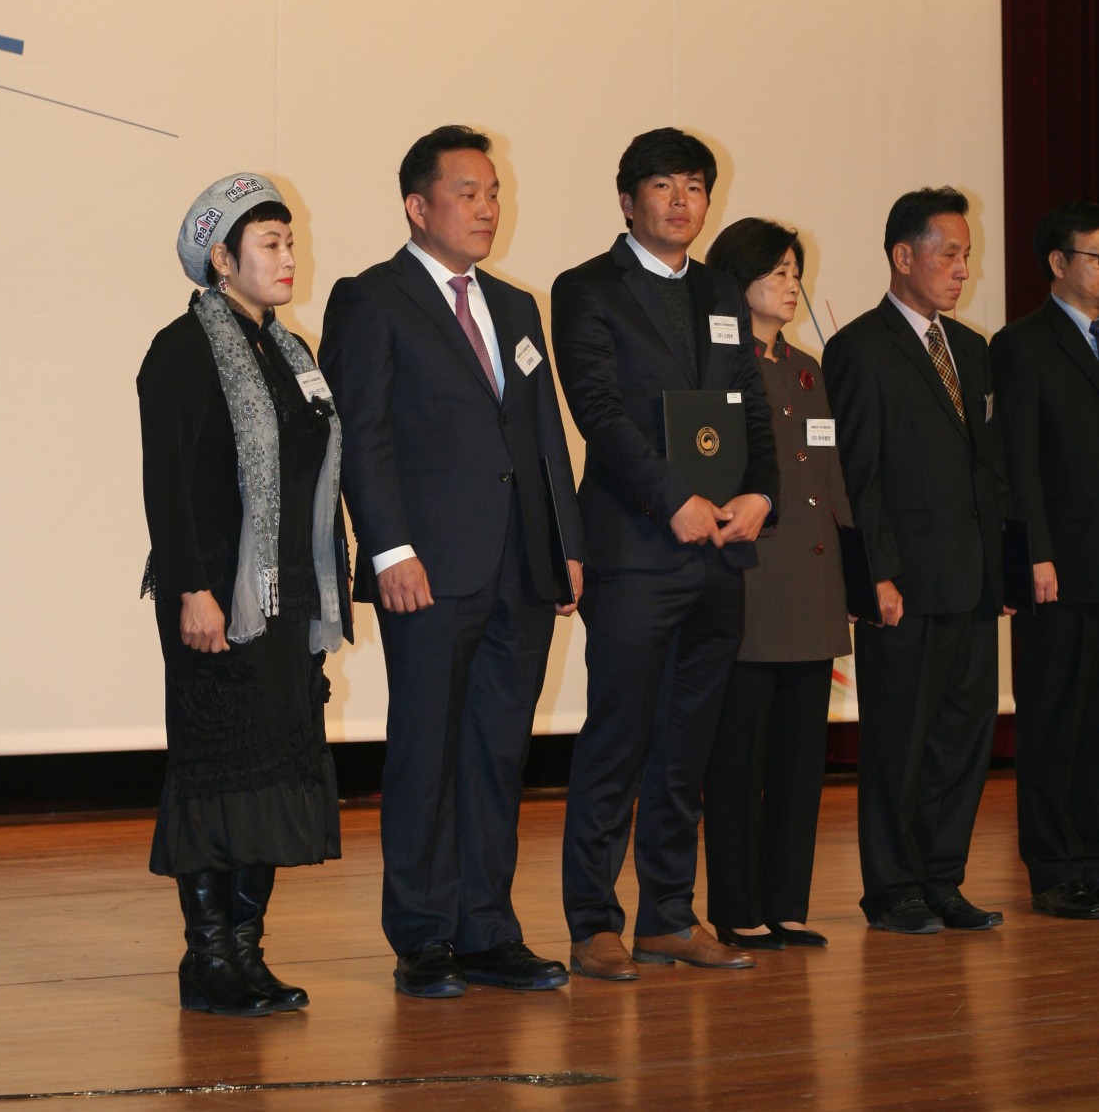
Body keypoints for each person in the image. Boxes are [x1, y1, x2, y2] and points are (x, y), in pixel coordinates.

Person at [319, 126, 584, 999]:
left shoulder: (515, 305)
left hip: (520, 565)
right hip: (428, 567)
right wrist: (390, 547)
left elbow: (544, 436)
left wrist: (566, 543)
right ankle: (423, 934)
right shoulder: (373, 298)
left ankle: (487, 929)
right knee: (426, 751)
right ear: (417, 205)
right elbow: (361, 435)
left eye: (493, 192)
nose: (487, 207)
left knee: (498, 751)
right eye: (467, 192)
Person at [551, 128, 778, 980]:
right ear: (627, 199)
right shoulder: (586, 288)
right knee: (619, 738)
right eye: (663, 185)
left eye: (694, 186)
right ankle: (593, 921)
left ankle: (670, 916)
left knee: (688, 745)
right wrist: (672, 498)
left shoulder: (720, 290)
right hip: (636, 546)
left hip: (719, 550)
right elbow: (599, 411)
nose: (682, 201)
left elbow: (750, 403)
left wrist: (762, 493)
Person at [138, 174, 351, 1016]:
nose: (289, 256)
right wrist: (192, 587)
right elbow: (167, 487)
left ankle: (248, 953)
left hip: (286, 597)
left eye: (290, 241)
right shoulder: (182, 350)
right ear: (221, 259)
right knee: (217, 772)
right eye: (270, 243)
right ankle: (208, 957)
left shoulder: (293, 354)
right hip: (217, 597)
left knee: (269, 775)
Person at [822, 186, 1009, 934]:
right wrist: (876, 574)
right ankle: (892, 888)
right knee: (898, 742)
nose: (963, 269)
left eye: (967, 255)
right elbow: (856, 476)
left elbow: (987, 470)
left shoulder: (972, 349)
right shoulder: (859, 347)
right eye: (950, 254)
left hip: (971, 578)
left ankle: (942, 879)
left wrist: (1001, 567)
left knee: (962, 740)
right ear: (904, 256)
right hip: (903, 581)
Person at [701, 219, 851, 950]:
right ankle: (737, 906)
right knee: (738, 761)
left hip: (813, 587)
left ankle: (787, 903)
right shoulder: (718, 364)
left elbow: (831, 481)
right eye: (778, 271)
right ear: (738, 279)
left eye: (796, 271)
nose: (793, 284)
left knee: (799, 761)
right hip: (753, 585)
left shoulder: (807, 367)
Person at [990, 202, 1099, 920]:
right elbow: (1017, 460)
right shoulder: (1024, 343)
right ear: (1058, 263)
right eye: (1097, 256)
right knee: (1056, 719)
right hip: (1060, 565)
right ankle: (1056, 869)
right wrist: (1035, 553)